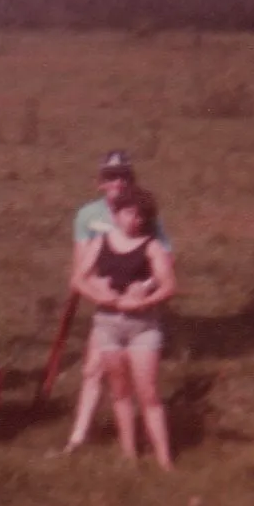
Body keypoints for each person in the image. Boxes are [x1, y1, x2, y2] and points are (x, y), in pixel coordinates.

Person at [64, 150, 172, 450]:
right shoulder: (87, 215)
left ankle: (140, 443)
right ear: (100, 182)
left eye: (124, 175)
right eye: (111, 176)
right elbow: (81, 265)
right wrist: (98, 287)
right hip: (105, 302)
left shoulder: (144, 213)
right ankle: (79, 434)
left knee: (131, 379)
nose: (117, 182)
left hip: (137, 307)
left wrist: (146, 286)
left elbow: (163, 260)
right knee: (93, 368)